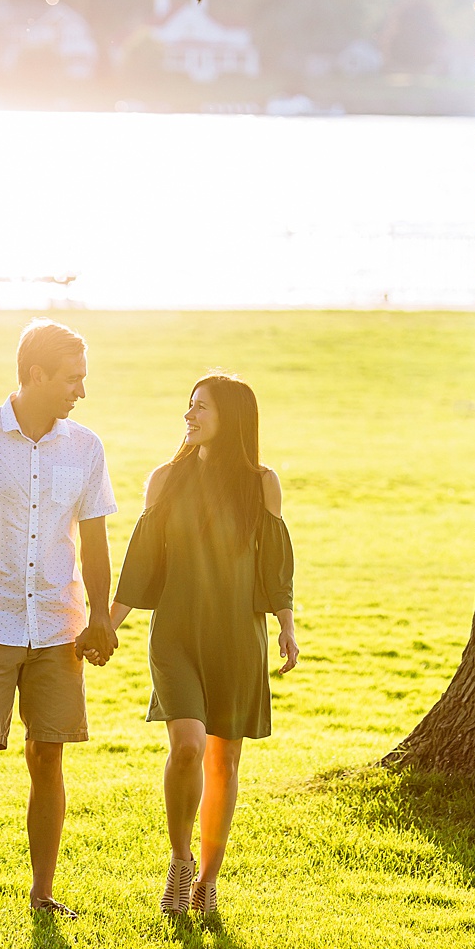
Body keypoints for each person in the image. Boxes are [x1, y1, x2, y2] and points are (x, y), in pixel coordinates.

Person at [0, 318, 118, 913]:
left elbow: (95, 540)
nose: (80, 392)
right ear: (35, 375)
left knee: (48, 755)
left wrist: (101, 617)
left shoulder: (86, 447)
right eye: (72, 379)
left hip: (59, 624)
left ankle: (41, 893)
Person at [99, 373, 299, 916]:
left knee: (224, 761)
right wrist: (110, 623)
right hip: (176, 635)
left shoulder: (262, 483)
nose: (189, 416)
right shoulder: (165, 479)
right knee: (187, 746)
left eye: (202, 408)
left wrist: (286, 622)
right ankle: (180, 860)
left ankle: (208, 881)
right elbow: (142, 561)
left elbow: (274, 561)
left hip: (237, 636)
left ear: (230, 419)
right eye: (188, 406)